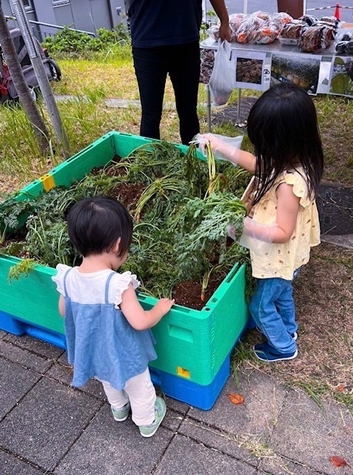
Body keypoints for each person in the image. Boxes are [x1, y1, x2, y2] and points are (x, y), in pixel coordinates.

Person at [200, 83, 324, 362]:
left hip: (279, 258)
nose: (261, 150)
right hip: (288, 263)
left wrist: (244, 225)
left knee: (261, 305)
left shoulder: (288, 185)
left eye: (265, 143)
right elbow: (258, 164)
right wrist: (220, 147)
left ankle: (283, 346)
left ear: (282, 144)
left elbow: (283, 232)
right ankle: (289, 329)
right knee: (283, 292)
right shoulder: (295, 158)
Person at [52, 196, 174, 437]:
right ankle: (146, 420)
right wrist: (159, 309)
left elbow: (64, 311)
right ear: (118, 245)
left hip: (94, 351)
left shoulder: (67, 277)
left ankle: (119, 409)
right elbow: (139, 322)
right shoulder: (117, 284)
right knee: (140, 386)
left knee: (108, 380)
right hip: (124, 351)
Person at [127, 0, 231, 145]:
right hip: (147, 43)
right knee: (151, 114)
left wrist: (224, 21)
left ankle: (192, 160)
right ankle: (149, 163)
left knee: (188, 111)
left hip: (186, 41)